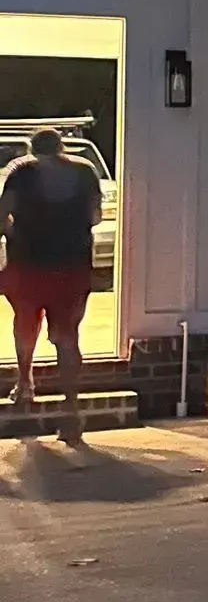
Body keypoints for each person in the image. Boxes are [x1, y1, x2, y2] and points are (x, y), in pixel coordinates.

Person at [0, 127, 102, 444]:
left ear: (32, 148)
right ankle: (71, 411)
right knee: (67, 337)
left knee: (25, 323)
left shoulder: (21, 172)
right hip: (72, 266)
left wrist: (13, 232)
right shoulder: (85, 172)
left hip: (28, 264)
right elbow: (96, 217)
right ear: (61, 147)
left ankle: (25, 383)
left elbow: (2, 216)